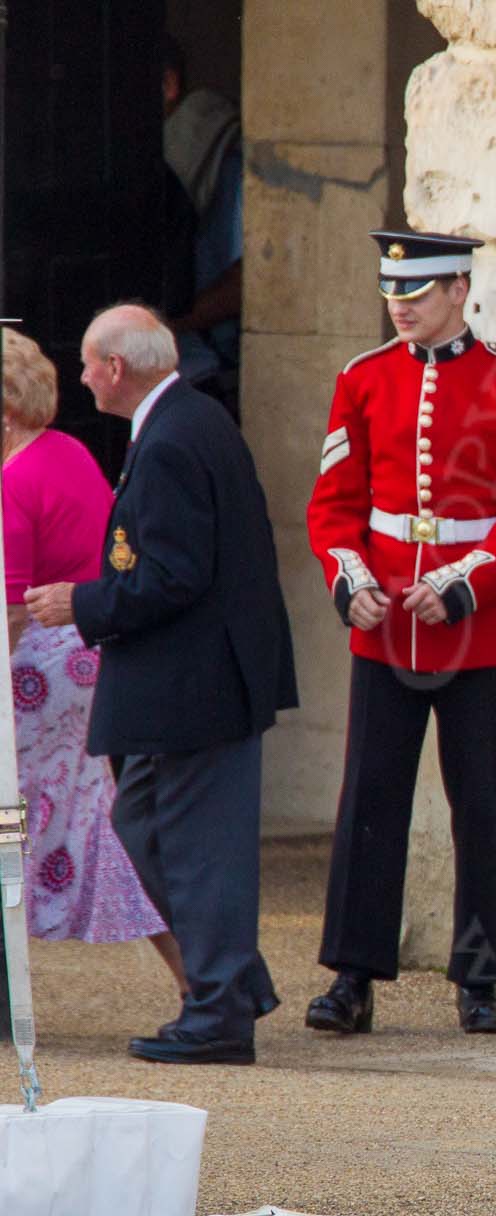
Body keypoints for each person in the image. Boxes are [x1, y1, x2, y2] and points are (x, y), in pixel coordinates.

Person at [303, 230, 496, 1037]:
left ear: (458, 289)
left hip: (476, 634)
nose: (400, 306)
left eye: (415, 293)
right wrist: (351, 581)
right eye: (393, 293)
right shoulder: (363, 379)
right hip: (385, 627)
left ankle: (479, 978)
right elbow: (335, 503)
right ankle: (353, 975)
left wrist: (459, 584)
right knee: (369, 801)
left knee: (480, 808)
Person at [24, 304, 297, 1065]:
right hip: (181, 683)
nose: (80, 377)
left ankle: (217, 1012)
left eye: (86, 363)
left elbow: (174, 575)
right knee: (142, 823)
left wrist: (79, 602)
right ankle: (231, 979)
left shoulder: (177, 435)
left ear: (116, 368)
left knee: (196, 848)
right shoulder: (181, 421)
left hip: (196, 685)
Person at [2, 328, 182, 999]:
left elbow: (10, 609)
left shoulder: (12, 479)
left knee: (12, 819)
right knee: (96, 824)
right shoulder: (67, 450)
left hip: (37, 669)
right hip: (85, 658)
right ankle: (201, 978)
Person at [160, 32, 243, 413]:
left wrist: (164, 328)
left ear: (168, 84)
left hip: (198, 370)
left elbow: (247, 280)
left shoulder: (224, 160)